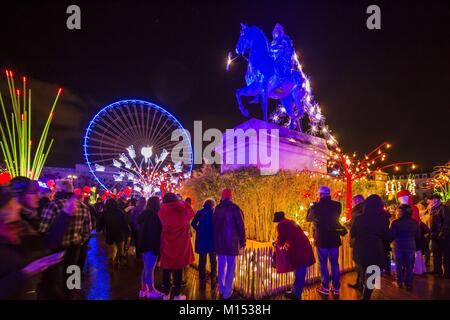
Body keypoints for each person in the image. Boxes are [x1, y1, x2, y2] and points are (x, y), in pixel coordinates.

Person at [0, 184, 74, 299]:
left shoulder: (21, 226)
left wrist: (65, 214)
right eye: (33, 192)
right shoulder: (19, 227)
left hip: (39, 284)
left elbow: (45, 242)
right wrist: (26, 272)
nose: (38, 196)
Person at [38, 179, 92, 299]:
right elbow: (87, 230)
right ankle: (71, 295)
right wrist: (79, 241)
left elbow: (43, 228)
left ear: (60, 190)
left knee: (55, 279)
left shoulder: (52, 205)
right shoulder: (83, 207)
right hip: (75, 247)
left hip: (56, 249)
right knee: (73, 272)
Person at [350, 195, 390, 299]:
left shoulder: (359, 218)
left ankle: (362, 290)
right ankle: (367, 294)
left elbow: (352, 233)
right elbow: (386, 235)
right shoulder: (381, 219)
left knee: (363, 269)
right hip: (375, 247)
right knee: (373, 271)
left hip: (360, 247)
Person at [158, 192, 195, 300]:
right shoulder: (182, 210)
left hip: (167, 243)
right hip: (180, 244)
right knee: (178, 270)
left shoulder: (162, 211)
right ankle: (177, 295)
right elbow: (191, 212)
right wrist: (184, 203)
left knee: (166, 269)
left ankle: (166, 294)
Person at [307, 186, 342, 296]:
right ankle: (336, 288)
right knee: (335, 263)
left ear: (320, 195)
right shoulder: (337, 205)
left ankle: (325, 287)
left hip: (321, 239)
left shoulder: (316, 206)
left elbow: (308, 218)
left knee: (323, 264)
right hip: (334, 238)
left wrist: (312, 207)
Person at [273, 211, 315, 299]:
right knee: (300, 269)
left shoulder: (282, 224)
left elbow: (282, 238)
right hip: (303, 246)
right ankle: (296, 291)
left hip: (298, 249)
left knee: (299, 270)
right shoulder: (290, 222)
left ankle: (296, 293)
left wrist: (276, 243)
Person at [212, 188, 246, 300]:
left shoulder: (217, 208)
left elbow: (214, 226)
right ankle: (228, 292)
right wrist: (243, 242)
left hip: (220, 243)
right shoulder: (235, 208)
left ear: (222, 197)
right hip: (232, 243)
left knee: (221, 266)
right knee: (231, 267)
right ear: (231, 197)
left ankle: (221, 289)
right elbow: (241, 226)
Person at [137, 196, 163, 299]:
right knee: (150, 269)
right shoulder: (154, 216)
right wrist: (156, 248)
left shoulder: (144, 214)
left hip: (143, 244)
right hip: (151, 245)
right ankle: (151, 290)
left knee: (146, 268)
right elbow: (153, 233)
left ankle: (143, 289)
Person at [390, 204, 421, 290]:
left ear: (400, 212)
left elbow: (391, 235)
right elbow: (418, 236)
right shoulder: (415, 222)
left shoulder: (395, 222)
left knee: (398, 265)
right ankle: (408, 283)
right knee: (409, 265)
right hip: (410, 245)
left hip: (398, 245)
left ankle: (399, 282)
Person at [97, 198, 130, 268]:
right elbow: (124, 223)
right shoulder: (120, 212)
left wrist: (98, 229)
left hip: (110, 235)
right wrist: (128, 231)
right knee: (120, 251)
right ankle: (116, 261)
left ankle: (111, 265)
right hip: (119, 234)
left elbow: (101, 224)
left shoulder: (105, 213)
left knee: (111, 253)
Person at [191, 199, 217, 288]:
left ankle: (202, 277)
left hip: (202, 239)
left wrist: (199, 229)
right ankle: (213, 277)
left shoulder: (200, 212)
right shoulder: (214, 212)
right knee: (213, 260)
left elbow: (193, 223)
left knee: (202, 260)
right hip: (212, 239)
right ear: (213, 204)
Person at [429, 194, 450, 278]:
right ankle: (437, 270)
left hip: (442, 235)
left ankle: (447, 273)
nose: (430, 201)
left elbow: (446, 222)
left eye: (431, 199)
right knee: (436, 253)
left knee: (445, 255)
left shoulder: (443, 208)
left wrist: (442, 233)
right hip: (435, 235)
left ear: (436, 200)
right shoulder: (433, 209)